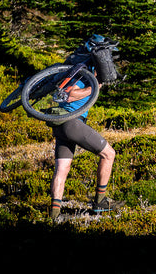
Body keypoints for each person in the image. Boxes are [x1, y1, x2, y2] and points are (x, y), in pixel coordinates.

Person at [49, 35, 123, 219]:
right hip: (71, 122)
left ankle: (54, 214)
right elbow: (69, 94)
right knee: (109, 154)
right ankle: (100, 201)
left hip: (62, 123)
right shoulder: (82, 70)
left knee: (61, 169)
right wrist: (95, 87)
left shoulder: (79, 66)